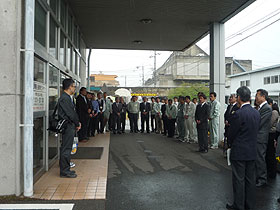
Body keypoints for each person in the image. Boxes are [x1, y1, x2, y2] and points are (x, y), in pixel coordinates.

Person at [226, 86, 260, 210]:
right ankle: (249, 205)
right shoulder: (256, 112)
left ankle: (238, 205)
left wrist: (230, 144)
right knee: (250, 181)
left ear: (239, 97)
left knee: (239, 180)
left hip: (239, 151)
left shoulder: (238, 113)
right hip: (252, 150)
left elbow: (232, 133)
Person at [58, 79, 81, 178]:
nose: (74, 88)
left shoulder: (67, 97)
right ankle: (64, 171)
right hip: (68, 126)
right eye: (74, 86)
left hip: (69, 126)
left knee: (67, 148)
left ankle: (66, 169)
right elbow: (71, 114)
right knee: (66, 149)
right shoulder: (65, 98)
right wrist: (77, 123)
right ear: (69, 87)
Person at [255, 89, 272, 188]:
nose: (256, 98)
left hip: (261, 138)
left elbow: (259, 123)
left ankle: (262, 179)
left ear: (263, 96)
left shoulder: (266, 108)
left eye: (257, 96)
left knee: (260, 158)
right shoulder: (260, 108)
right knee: (257, 158)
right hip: (257, 137)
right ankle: (258, 177)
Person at [266, 99, 279, 179]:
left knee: (271, 154)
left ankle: (272, 173)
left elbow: (270, 123)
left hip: (272, 134)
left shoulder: (274, 112)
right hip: (269, 134)